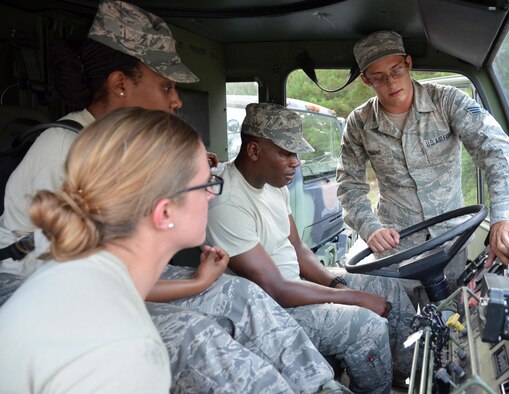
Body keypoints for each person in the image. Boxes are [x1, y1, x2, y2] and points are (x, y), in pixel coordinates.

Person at [0, 2, 341, 392]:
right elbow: (89, 278)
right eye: (166, 86)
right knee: (193, 337)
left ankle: (320, 386)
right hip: (41, 290)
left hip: (105, 276)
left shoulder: (124, 146)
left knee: (241, 294)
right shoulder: (63, 149)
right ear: (119, 84)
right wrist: (195, 284)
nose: (177, 101)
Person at [206, 102, 417, 393]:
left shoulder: (275, 184)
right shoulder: (226, 200)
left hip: (292, 285)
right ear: (254, 151)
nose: (296, 162)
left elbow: (297, 247)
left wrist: (336, 284)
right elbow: (276, 288)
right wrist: (352, 298)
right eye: (286, 153)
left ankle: (409, 378)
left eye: (297, 153)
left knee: (389, 287)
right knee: (367, 327)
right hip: (265, 311)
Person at [0, 108, 199, 391]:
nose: (211, 194)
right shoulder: (127, 349)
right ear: (164, 211)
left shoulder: (74, 278)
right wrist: (197, 282)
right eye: (207, 184)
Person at [336, 30, 509, 303]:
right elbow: (348, 186)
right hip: (395, 249)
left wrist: (504, 217)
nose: (392, 83)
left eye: (397, 70)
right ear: (366, 80)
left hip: (450, 243)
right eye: (379, 78)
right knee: (400, 326)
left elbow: (498, 153)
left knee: (452, 322)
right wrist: (370, 228)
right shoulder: (359, 123)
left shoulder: (447, 101)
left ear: (409, 63)